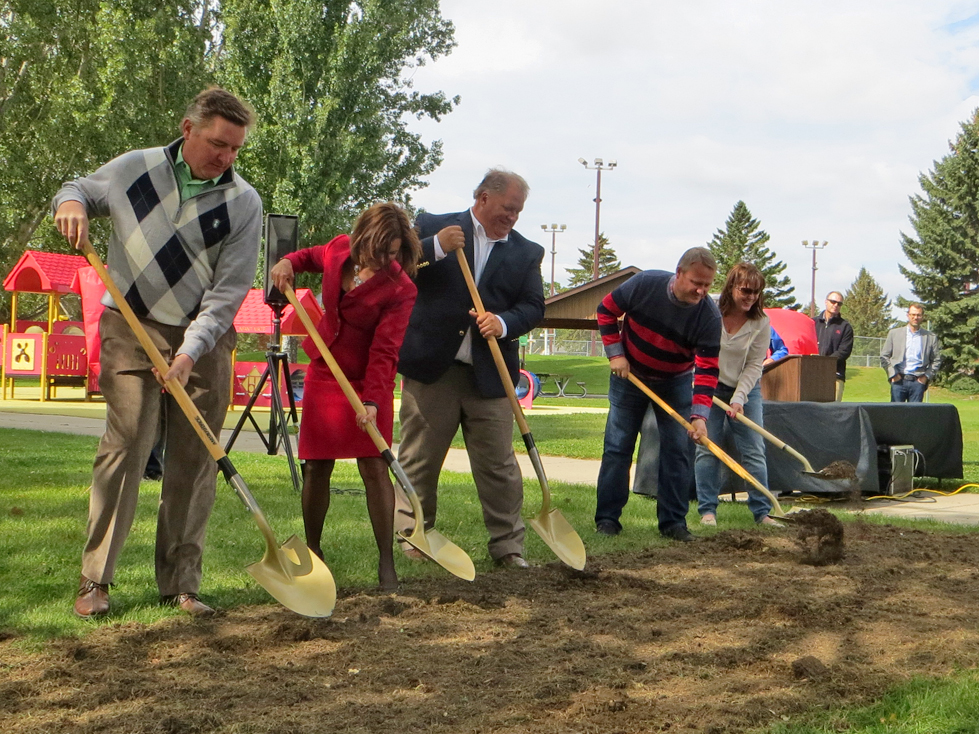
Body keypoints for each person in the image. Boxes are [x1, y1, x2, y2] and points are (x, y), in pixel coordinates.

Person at [53, 87, 262, 618]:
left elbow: (228, 293)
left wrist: (190, 351)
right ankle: (94, 581)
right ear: (188, 129)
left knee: (194, 461)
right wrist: (72, 203)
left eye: (235, 149)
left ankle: (180, 585)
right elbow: (77, 187)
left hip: (204, 338)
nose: (225, 157)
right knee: (125, 446)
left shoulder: (244, 203)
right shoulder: (133, 170)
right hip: (129, 322)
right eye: (218, 144)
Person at [394, 169, 545, 568]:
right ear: (482, 197)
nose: (512, 217)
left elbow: (534, 306)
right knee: (419, 458)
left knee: (499, 467)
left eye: (518, 211)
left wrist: (504, 322)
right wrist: (435, 248)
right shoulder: (432, 226)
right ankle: (414, 536)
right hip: (432, 369)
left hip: (490, 376)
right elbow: (395, 268)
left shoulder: (526, 252)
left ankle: (508, 547)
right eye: (507, 208)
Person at [269, 203, 420, 591]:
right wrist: (287, 262)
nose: (386, 260)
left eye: (394, 252)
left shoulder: (401, 288)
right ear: (362, 239)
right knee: (316, 466)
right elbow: (308, 256)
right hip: (325, 374)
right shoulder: (339, 249)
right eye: (380, 250)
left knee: (374, 466)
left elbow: (386, 351)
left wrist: (371, 400)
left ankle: (387, 564)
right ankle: (314, 554)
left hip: (369, 382)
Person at [594, 247, 721, 542]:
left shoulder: (709, 317)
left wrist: (700, 416)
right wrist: (616, 354)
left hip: (675, 381)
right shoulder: (644, 285)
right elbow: (606, 310)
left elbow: (707, 370)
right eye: (696, 283)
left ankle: (673, 524)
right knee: (617, 447)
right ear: (679, 274)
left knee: (677, 452)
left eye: (707, 285)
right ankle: (607, 520)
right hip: (630, 377)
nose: (701, 291)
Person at [695, 263, 781, 527]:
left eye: (756, 292)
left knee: (754, 451)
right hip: (709, 387)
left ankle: (763, 513)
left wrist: (739, 398)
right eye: (745, 290)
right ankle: (707, 511)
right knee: (708, 449)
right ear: (732, 286)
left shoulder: (761, 322)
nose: (750, 297)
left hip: (745, 390)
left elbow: (755, 364)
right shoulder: (709, 312)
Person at [880, 303, 942, 403]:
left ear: (922, 317)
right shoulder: (894, 333)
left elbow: (936, 360)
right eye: (913, 314)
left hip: (918, 382)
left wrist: (926, 377)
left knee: (915, 417)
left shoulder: (930, 337)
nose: (915, 317)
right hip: (898, 381)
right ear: (908, 315)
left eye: (918, 315)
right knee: (895, 415)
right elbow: (884, 356)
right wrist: (893, 375)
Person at [813, 291, 853, 401]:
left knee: (832, 412)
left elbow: (844, 351)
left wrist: (825, 365)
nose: (835, 305)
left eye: (839, 304)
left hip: (835, 376)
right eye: (833, 302)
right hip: (812, 374)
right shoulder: (812, 323)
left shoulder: (845, 327)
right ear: (826, 302)